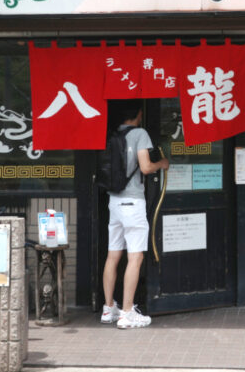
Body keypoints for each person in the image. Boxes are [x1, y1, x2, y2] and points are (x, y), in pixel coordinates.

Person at [101, 100, 169, 329]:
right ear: (138, 114)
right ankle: (127, 312)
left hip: (114, 201)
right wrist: (162, 163)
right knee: (135, 257)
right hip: (133, 202)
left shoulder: (113, 133)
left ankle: (108, 308)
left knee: (113, 255)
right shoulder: (140, 133)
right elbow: (146, 167)